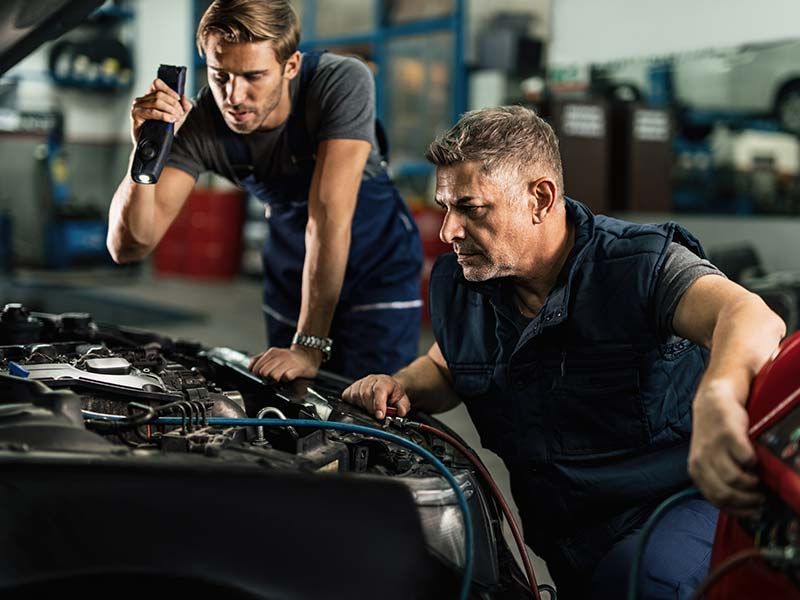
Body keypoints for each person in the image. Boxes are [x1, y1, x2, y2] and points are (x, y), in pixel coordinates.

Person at [342, 105, 786, 598]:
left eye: (470, 208)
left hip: (673, 512)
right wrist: (401, 384)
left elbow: (750, 316)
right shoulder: (464, 283)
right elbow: (447, 366)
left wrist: (719, 397)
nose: (448, 231)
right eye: (445, 207)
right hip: (566, 539)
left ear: (540, 198)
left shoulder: (636, 267)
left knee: (644, 583)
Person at [107, 0, 422, 381]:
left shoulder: (340, 82)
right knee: (291, 399)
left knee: (374, 398)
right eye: (220, 76)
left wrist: (308, 345)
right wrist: (143, 153)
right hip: (292, 260)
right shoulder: (202, 123)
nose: (234, 96)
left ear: (291, 66)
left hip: (375, 261)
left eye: (253, 76)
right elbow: (129, 247)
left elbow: (328, 217)